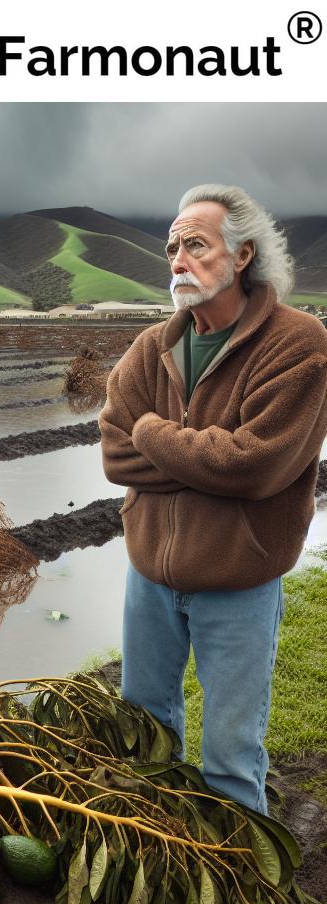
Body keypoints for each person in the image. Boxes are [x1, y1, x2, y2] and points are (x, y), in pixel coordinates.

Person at [99, 184, 327, 813]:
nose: (177, 260)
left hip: (238, 579)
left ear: (244, 254)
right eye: (172, 248)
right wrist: (203, 457)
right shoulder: (154, 346)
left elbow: (255, 465)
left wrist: (150, 431)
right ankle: (158, 855)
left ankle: (241, 883)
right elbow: (114, 455)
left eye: (195, 244)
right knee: (145, 735)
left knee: (229, 752)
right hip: (149, 578)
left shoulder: (297, 342)